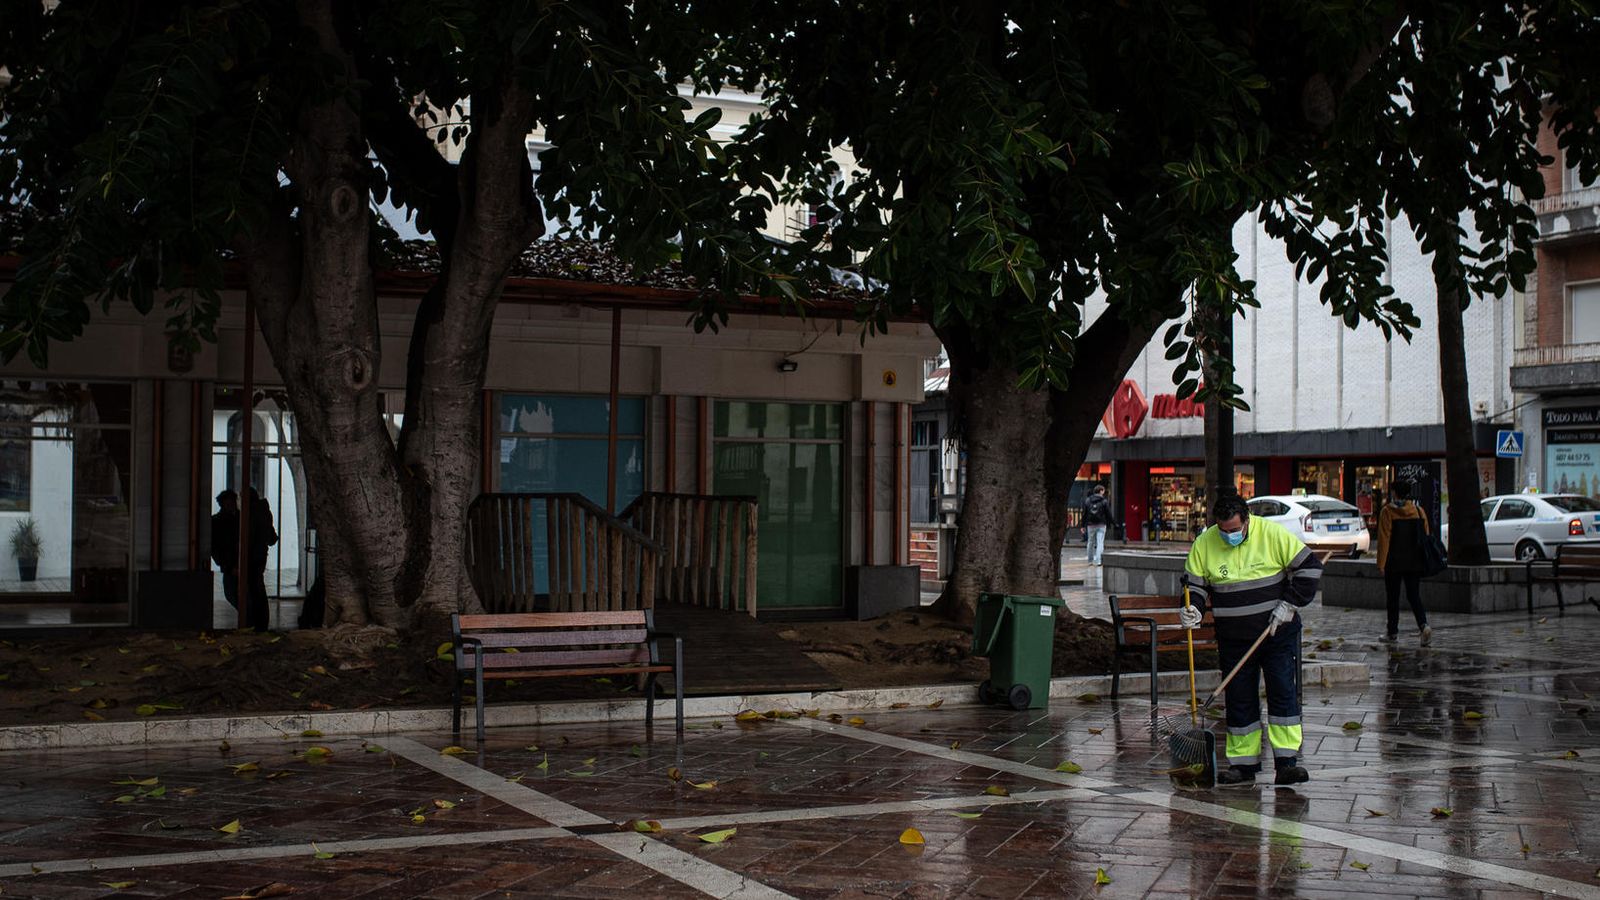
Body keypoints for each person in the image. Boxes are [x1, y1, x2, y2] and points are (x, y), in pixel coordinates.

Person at [1178, 490, 1324, 786]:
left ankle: (1286, 763)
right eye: (1223, 530)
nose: (1229, 535)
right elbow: (1195, 584)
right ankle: (1243, 765)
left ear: (1247, 520)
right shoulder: (1205, 543)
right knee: (1239, 697)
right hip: (1234, 638)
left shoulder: (1272, 534)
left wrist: (1289, 604)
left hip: (1276, 633)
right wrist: (1193, 607)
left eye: (1234, 529)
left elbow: (1309, 570)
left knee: (1282, 692)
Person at [1376, 479, 1432, 646]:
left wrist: (1381, 563)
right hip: (1414, 561)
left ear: (1394, 493)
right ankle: (1423, 625)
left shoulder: (1387, 512)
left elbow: (1384, 539)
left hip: (1394, 562)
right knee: (1413, 595)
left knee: (1393, 597)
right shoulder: (1419, 511)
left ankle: (1392, 632)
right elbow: (1426, 535)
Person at [244, 487, 279, 633]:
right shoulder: (264, 511)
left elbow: (251, 535)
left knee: (255, 588)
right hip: (260, 554)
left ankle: (257, 622)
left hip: (254, 555)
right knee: (257, 588)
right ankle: (259, 621)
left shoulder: (253, 513)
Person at [210, 490, 240, 610]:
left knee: (232, 593)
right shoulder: (218, 521)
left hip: (231, 563)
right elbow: (215, 547)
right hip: (230, 563)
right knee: (232, 593)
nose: (231, 505)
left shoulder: (218, 520)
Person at [1082, 484, 1114, 566]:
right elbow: (1108, 514)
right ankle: (1099, 561)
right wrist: (1113, 523)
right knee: (1100, 543)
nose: (1104, 492)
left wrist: (1083, 525)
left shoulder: (1088, 500)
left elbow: (1084, 514)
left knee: (1090, 542)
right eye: (1103, 490)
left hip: (1090, 525)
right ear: (1100, 491)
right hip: (1101, 525)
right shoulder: (1104, 501)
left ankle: (1090, 561)